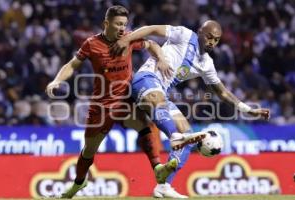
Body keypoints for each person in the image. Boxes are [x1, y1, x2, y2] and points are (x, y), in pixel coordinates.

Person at [110, 20, 270, 198]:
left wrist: (249, 110)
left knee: (189, 136)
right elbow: (153, 29)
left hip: (161, 93)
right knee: (174, 126)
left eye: (216, 40)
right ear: (200, 32)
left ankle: (164, 186)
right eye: (209, 37)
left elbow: (223, 93)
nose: (211, 42)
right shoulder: (185, 35)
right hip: (145, 79)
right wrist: (127, 39)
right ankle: (174, 137)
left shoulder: (207, 64)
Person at [46, 5, 177, 199]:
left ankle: (158, 168)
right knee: (89, 150)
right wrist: (57, 80)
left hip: (126, 99)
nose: (122, 28)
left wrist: (162, 59)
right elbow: (72, 64)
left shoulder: (129, 39)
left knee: (145, 125)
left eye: (124, 24)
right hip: (102, 105)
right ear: (106, 23)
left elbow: (152, 45)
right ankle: (78, 183)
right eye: (118, 24)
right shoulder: (91, 44)